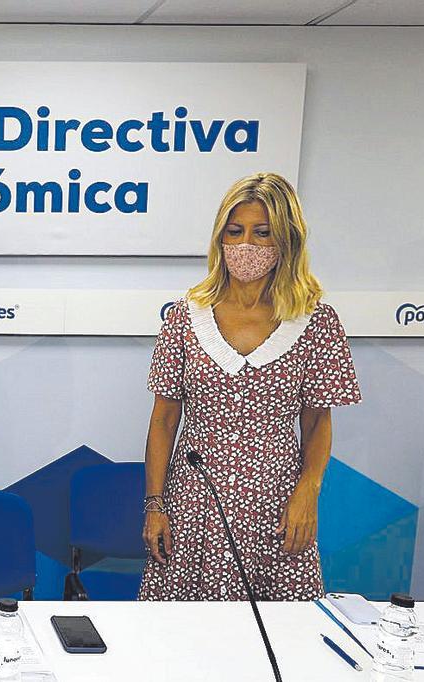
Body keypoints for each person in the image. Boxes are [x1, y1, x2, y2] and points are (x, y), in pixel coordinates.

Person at [139, 172, 361, 601]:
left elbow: (317, 424)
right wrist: (155, 505)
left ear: (287, 241)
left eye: (262, 233)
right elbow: (164, 421)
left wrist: (307, 494)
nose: (246, 246)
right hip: (193, 506)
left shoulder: (316, 322)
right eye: (235, 231)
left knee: (278, 643)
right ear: (219, 238)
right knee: (184, 643)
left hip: (277, 508)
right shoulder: (186, 317)